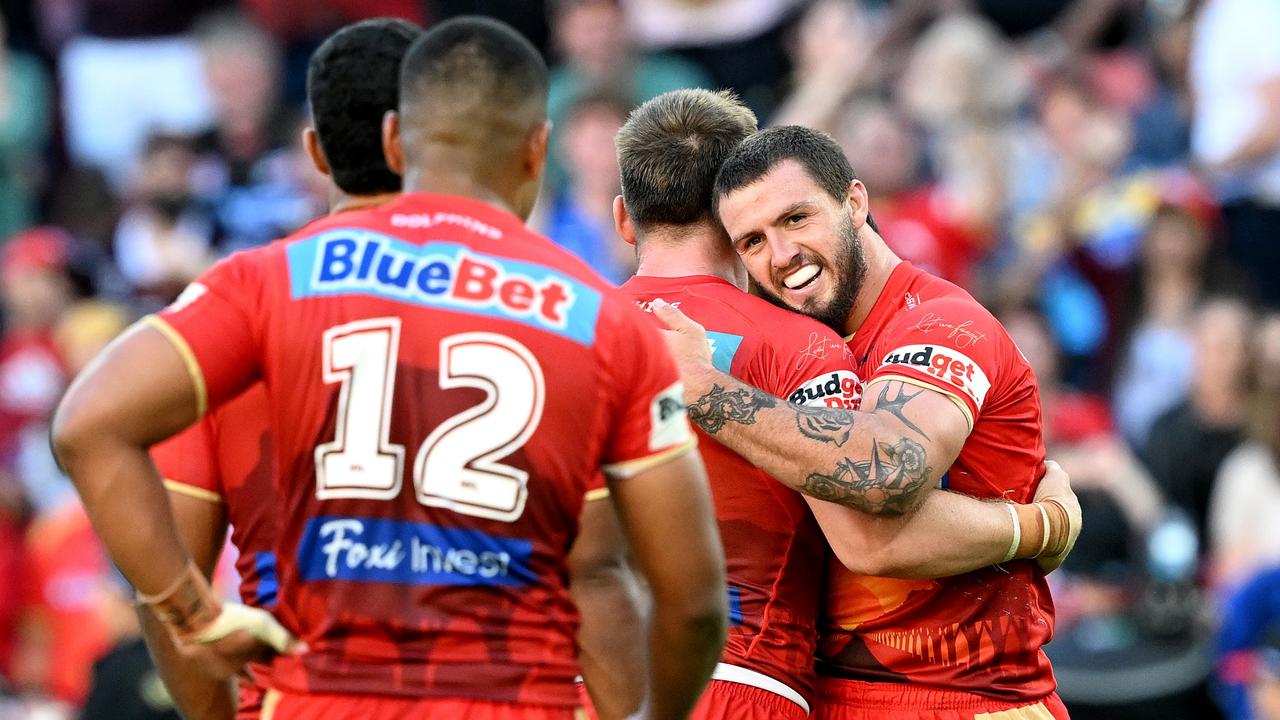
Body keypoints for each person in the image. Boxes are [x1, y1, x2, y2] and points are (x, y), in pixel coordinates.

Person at [52, 16, 727, 720]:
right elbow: (675, 598)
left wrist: (193, 615)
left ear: (394, 141)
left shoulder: (258, 289)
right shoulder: (599, 315)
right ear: (538, 151)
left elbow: (90, 430)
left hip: (308, 700)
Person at [616, 89, 1080, 719]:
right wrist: (1037, 528)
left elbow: (880, 504)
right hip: (825, 695)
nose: (781, 256)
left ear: (855, 201)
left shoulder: (937, 325)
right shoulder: (792, 337)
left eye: (797, 219)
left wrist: (697, 385)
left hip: (964, 700)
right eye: (751, 240)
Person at [135, 19, 422, 720]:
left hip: (297, 695)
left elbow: (169, 577)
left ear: (314, 152)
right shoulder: (534, 298)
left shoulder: (233, 305)